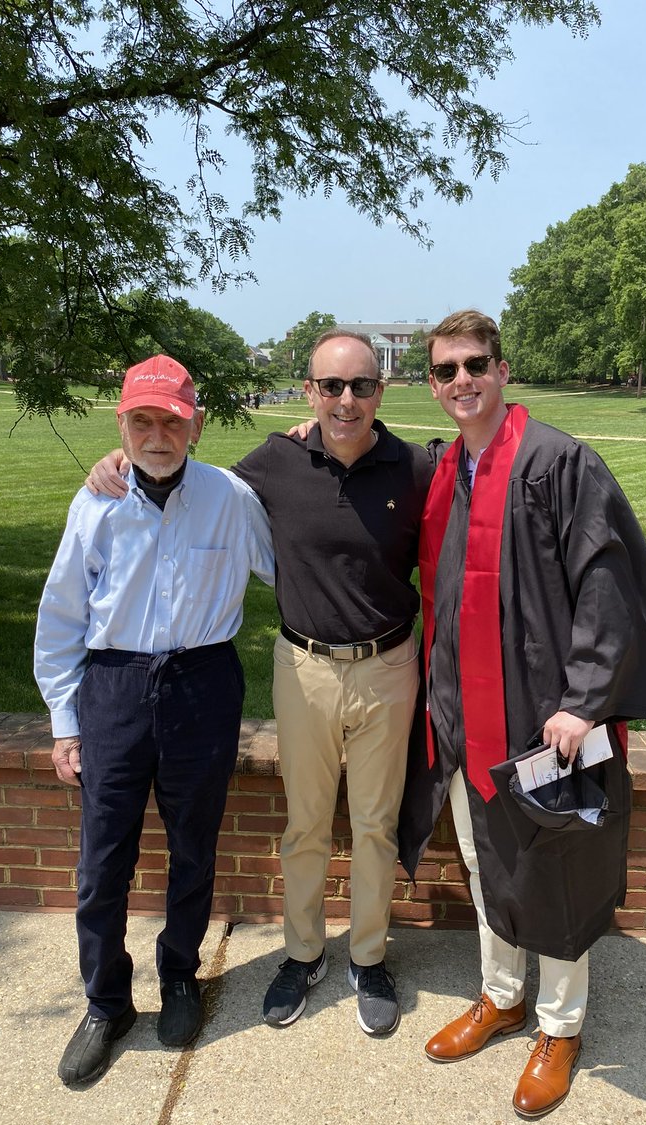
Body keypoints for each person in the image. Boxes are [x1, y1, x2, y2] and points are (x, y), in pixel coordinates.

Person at [86, 331, 435, 1037]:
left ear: (382, 391)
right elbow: (186, 477)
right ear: (309, 391)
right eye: (330, 386)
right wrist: (123, 458)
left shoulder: (416, 468)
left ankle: (368, 957)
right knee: (305, 824)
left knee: (374, 825)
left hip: (390, 665)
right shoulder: (271, 464)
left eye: (360, 386)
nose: (345, 400)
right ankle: (304, 953)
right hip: (303, 667)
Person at [398, 310, 646, 1118]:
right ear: (434, 383)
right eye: (445, 370)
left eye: (474, 364)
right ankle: (502, 995)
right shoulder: (449, 466)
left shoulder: (556, 462)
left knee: (555, 866)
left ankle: (560, 1025)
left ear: (502, 368)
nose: (461, 381)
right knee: (487, 861)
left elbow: (608, 583)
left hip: (542, 713)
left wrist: (585, 701)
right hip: (462, 710)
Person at [35, 354, 274, 1087]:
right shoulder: (97, 502)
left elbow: (290, 568)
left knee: (192, 848)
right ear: (122, 425)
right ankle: (106, 1001)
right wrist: (64, 720)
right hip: (113, 687)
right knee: (101, 861)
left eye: (171, 419)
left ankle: (179, 976)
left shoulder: (230, 497)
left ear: (195, 424)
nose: (157, 434)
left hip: (202, 682)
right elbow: (63, 614)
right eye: (141, 420)